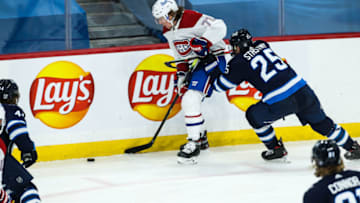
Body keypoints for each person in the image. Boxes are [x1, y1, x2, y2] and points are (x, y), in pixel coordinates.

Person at [205, 28, 360, 161]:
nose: (233, 50)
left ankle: (275, 148)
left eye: (234, 47)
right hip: (303, 90)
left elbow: (220, 86)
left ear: (238, 46)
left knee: (253, 115)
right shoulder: (262, 45)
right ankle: (353, 147)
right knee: (322, 123)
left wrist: (212, 66)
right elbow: (253, 54)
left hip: (281, 100)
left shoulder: (238, 63)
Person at [151, 0, 228, 164]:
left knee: (191, 98)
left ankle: (194, 143)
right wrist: (181, 75)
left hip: (214, 58)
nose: (160, 22)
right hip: (198, 62)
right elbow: (180, 55)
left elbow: (220, 26)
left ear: (171, 13)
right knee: (186, 97)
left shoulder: (190, 18)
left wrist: (204, 42)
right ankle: (200, 135)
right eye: (157, 19)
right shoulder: (168, 30)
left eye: (162, 18)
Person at [0, 79, 41, 202]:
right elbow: (19, 133)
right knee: (26, 189)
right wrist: (28, 150)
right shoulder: (10, 110)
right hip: (3, 159)